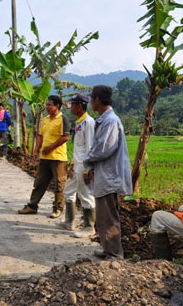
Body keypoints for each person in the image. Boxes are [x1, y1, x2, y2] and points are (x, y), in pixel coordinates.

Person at [84, 85, 132, 259]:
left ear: (97, 100)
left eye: (92, 99)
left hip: (109, 177)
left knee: (109, 217)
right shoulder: (106, 120)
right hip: (105, 176)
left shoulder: (111, 121)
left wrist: (87, 159)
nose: (91, 103)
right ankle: (108, 250)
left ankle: (114, 254)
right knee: (104, 217)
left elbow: (103, 149)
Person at [18, 95, 70, 218]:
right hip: (45, 157)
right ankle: (32, 206)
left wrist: (50, 148)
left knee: (58, 184)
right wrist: (36, 150)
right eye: (46, 104)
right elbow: (40, 136)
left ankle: (57, 208)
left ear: (57, 106)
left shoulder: (63, 119)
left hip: (58, 158)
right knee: (39, 182)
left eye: (49, 105)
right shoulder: (45, 120)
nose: (46, 107)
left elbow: (65, 137)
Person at [59, 93, 96, 238]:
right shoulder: (79, 122)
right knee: (69, 191)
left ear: (80, 106)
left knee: (86, 195)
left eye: (73, 105)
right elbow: (78, 147)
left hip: (84, 166)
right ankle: (70, 222)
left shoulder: (89, 122)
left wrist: (88, 169)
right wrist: (73, 165)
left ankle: (89, 227)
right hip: (77, 164)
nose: (70, 107)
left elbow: (90, 147)